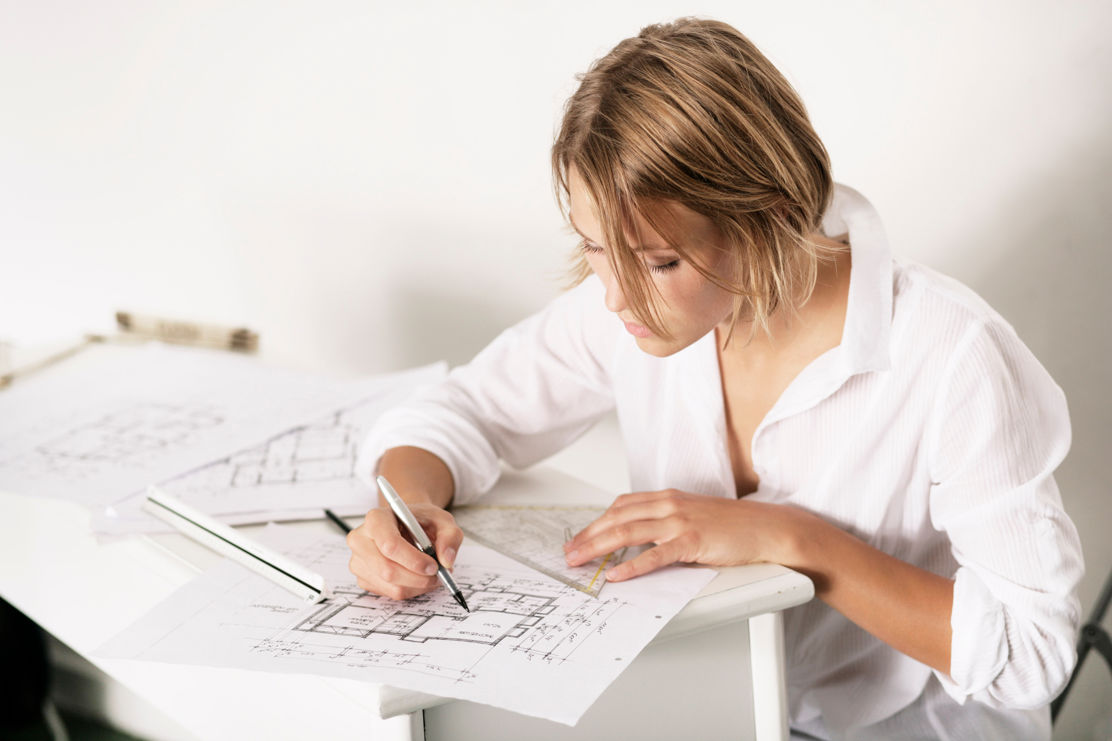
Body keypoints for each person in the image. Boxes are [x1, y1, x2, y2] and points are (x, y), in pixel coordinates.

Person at [347, 17, 1084, 739]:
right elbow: (463, 410)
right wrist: (405, 506)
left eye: (659, 261)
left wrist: (797, 539)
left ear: (771, 213)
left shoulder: (955, 354)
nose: (613, 296)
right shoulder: (637, 307)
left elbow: (1034, 651)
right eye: (595, 248)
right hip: (721, 701)